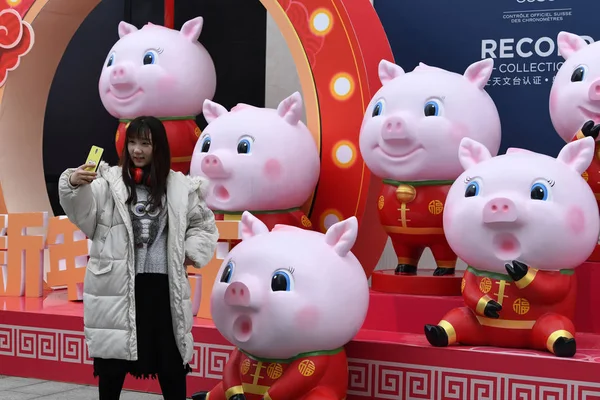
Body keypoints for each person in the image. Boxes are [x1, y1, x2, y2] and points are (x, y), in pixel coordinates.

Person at [58, 116, 219, 400]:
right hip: (117, 286)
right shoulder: (108, 184)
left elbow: (203, 225)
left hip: (163, 288)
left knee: (171, 363)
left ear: (159, 147)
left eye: (145, 143)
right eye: (132, 142)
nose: (137, 150)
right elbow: (82, 213)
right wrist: (73, 183)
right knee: (112, 367)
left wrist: (189, 252)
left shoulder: (180, 188)